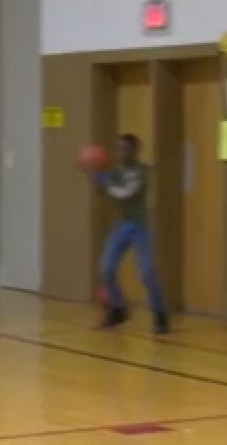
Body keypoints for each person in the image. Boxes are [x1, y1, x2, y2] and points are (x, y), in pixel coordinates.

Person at [89, 133, 170, 334]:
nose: (120, 153)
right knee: (106, 269)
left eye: (125, 149)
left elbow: (123, 194)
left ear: (135, 151)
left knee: (146, 271)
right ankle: (118, 309)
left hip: (139, 227)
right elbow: (106, 192)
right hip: (120, 226)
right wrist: (96, 175)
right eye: (118, 149)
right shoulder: (116, 171)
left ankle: (160, 313)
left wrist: (102, 180)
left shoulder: (142, 173)